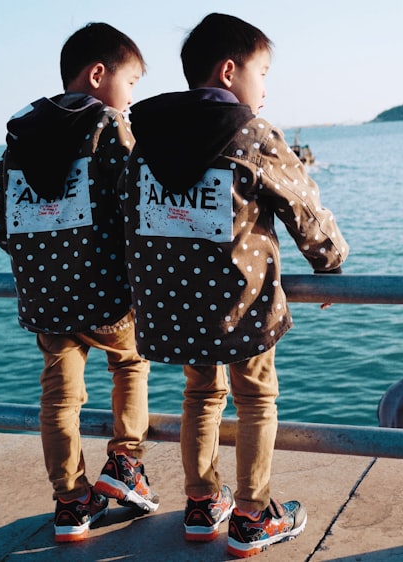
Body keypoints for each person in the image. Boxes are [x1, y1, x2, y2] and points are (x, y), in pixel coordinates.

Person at [118, 13, 348, 558]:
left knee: (200, 395)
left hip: (172, 302)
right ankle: (252, 513)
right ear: (229, 71)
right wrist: (329, 262)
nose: (265, 87)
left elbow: (127, 212)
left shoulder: (146, 139)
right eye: (262, 72)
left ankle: (201, 505)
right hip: (241, 302)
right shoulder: (252, 133)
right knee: (255, 401)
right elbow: (304, 208)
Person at [0, 23, 157, 543]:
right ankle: (125, 463)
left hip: (44, 297)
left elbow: (1, 217)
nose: (132, 97)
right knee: (130, 362)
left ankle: (71, 501)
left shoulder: (20, 135)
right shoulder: (108, 127)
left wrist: (38, 259)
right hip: (106, 292)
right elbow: (135, 201)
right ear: (99, 74)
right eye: (131, 83)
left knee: (59, 399)